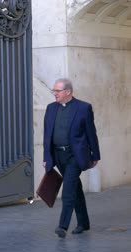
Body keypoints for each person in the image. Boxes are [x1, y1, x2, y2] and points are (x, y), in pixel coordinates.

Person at [43, 78, 100, 238]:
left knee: (68, 190)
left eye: (57, 91)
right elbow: (47, 135)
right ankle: (84, 222)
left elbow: (91, 133)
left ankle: (62, 226)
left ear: (67, 92)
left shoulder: (83, 108)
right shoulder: (50, 108)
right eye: (54, 90)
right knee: (75, 188)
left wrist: (95, 155)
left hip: (75, 156)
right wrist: (47, 157)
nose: (54, 93)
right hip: (58, 155)